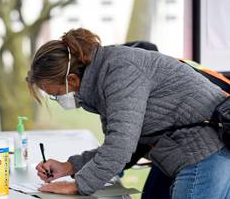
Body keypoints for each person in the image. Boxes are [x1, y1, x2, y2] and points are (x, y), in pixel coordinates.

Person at [26, 28, 230, 198]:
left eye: (56, 94)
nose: (58, 100)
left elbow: (121, 146)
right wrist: (69, 166)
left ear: (71, 79)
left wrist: (78, 185)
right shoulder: (105, 74)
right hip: (199, 152)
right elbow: (127, 144)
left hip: (205, 152)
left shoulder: (120, 72)